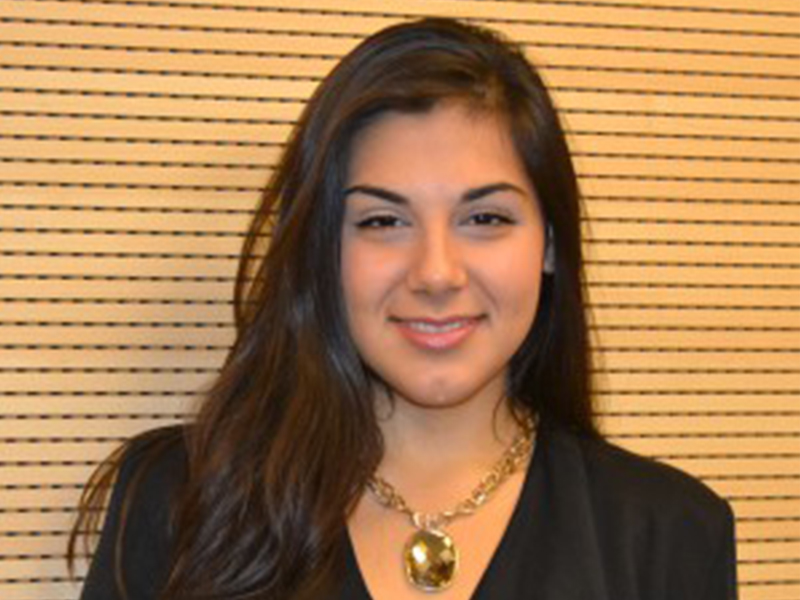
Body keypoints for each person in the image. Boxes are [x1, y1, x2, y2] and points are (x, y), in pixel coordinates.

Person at [68, 17, 738, 600]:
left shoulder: (671, 533)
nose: (436, 274)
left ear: (550, 244)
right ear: (322, 249)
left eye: (485, 217)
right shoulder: (180, 497)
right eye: (383, 221)